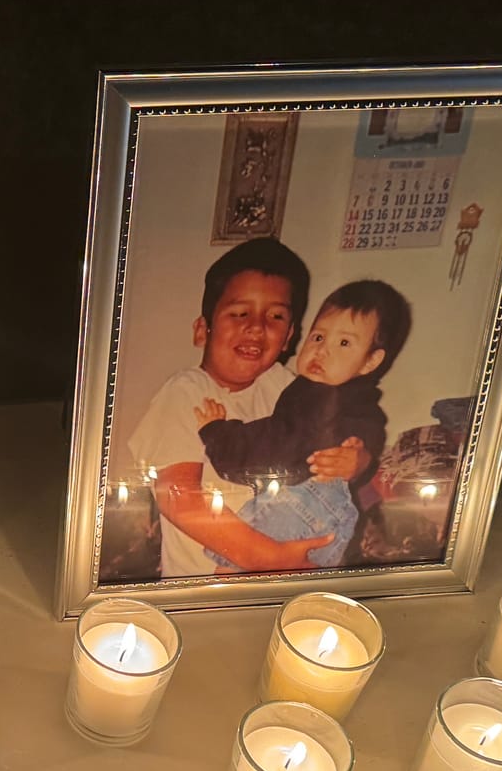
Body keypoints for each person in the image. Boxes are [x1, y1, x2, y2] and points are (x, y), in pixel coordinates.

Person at [125, 237, 366, 577]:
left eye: (275, 316)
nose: (256, 327)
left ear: (288, 337)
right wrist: (267, 557)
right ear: (202, 330)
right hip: (205, 589)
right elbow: (177, 495)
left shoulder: (289, 387)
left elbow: (342, 442)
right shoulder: (186, 392)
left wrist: (355, 460)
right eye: (239, 313)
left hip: (286, 570)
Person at [194, 279, 411, 569]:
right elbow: (364, 429)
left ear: (370, 362)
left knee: (227, 581)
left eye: (344, 343)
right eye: (318, 337)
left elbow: (272, 443)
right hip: (323, 516)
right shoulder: (343, 398)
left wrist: (217, 433)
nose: (322, 351)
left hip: (299, 506)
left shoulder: (319, 397)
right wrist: (362, 458)